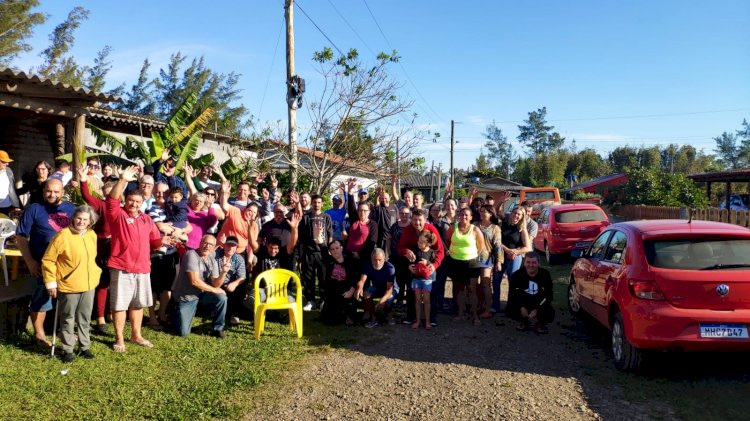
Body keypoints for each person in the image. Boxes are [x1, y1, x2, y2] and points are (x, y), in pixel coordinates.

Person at [106, 165, 169, 352]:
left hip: (142, 268)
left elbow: (154, 241)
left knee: (138, 304)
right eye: (131, 201)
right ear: (126, 201)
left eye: (137, 202)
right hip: (122, 266)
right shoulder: (117, 215)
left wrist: (162, 240)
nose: (134, 204)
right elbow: (112, 200)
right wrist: (123, 180)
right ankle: (119, 339)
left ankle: (136, 335)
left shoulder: (146, 219)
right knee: (119, 305)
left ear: (142, 203)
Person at [16, 178, 76, 347]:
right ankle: (39, 334)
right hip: (42, 264)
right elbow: (21, 236)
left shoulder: (72, 210)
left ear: (62, 193)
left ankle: (63, 331)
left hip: (66, 265)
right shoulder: (34, 209)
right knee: (41, 298)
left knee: (66, 300)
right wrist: (29, 261)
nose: (52, 194)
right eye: (49, 191)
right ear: (43, 192)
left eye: (56, 191)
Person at [41, 205, 101, 362]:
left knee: (85, 317)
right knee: (68, 317)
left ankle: (84, 346)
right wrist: (51, 283)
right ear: (73, 218)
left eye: (85, 219)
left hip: (89, 284)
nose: (81, 222)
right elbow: (48, 259)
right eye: (79, 218)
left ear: (90, 221)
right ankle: (67, 349)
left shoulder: (91, 235)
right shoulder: (62, 235)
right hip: (69, 285)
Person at [78, 165, 115, 333]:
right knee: (102, 283)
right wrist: (83, 179)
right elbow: (86, 195)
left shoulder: (123, 208)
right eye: (108, 191)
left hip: (116, 249)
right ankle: (100, 317)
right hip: (100, 248)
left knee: (113, 283)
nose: (111, 193)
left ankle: (110, 312)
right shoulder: (101, 205)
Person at [172, 234, 230, 338]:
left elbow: (215, 283)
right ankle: (173, 312)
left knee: (222, 298)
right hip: (187, 297)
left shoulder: (212, 258)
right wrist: (214, 290)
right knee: (183, 333)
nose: (207, 246)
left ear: (214, 247)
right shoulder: (191, 255)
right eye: (205, 243)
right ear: (200, 243)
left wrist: (223, 273)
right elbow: (194, 281)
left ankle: (218, 329)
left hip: (202, 295)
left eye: (211, 245)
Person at [397, 209, 445, 326]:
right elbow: (400, 247)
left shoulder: (431, 229)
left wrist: (434, 265)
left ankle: (431, 318)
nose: (417, 223)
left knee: (431, 293)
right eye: (414, 220)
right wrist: (407, 252)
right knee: (411, 292)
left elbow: (440, 251)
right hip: (413, 266)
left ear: (425, 220)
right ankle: (411, 317)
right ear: (411, 220)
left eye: (420, 220)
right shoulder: (408, 229)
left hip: (429, 265)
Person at [445, 207, 484, 325]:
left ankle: (475, 315)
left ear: (471, 217)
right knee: (460, 289)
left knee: (472, 289)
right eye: (462, 214)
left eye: (467, 215)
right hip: (456, 262)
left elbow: (481, 246)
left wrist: (472, 254)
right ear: (459, 215)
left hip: (471, 263)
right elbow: (447, 241)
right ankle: (460, 314)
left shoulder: (475, 229)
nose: (464, 217)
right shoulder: (453, 228)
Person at [494, 206, 532, 313]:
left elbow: (528, 247)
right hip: (500, 255)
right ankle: (495, 305)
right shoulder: (503, 224)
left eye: (519, 214)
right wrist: (507, 250)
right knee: (496, 280)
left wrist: (515, 251)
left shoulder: (522, 228)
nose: (516, 215)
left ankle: (510, 307)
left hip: (515, 257)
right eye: (515, 213)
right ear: (511, 213)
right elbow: (497, 240)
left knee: (513, 282)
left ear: (522, 216)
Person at [299, 194, 333, 311]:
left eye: (319, 202)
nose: (316, 204)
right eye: (315, 202)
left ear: (322, 204)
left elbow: (330, 235)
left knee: (323, 278)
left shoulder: (326, 217)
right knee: (309, 278)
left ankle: (323, 300)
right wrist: (301, 257)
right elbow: (302, 238)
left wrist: (329, 250)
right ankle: (311, 301)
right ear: (311, 203)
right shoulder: (306, 217)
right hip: (309, 252)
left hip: (323, 253)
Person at [505, 252, 555, 333]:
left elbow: (549, 295)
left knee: (549, 312)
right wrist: (521, 307)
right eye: (528, 262)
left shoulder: (545, 274)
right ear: (524, 262)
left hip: (538, 302)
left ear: (538, 263)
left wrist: (537, 309)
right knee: (510, 308)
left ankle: (540, 324)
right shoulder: (517, 275)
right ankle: (523, 321)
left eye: (534, 262)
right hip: (524, 301)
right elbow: (512, 294)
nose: (531, 265)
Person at [474, 205, 504, 319]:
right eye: (480, 211)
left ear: (491, 213)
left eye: (484, 212)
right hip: (474, 257)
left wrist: (499, 261)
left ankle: (488, 308)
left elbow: (498, 245)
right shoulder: (475, 225)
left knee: (485, 284)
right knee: (475, 284)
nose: (482, 214)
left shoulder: (495, 228)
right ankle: (478, 305)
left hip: (486, 258)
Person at [356, 248, 397, 328]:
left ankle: (388, 314)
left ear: (384, 259)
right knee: (366, 294)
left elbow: (389, 290)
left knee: (388, 299)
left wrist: (382, 300)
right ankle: (373, 318)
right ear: (371, 259)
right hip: (377, 287)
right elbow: (362, 280)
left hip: (390, 289)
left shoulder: (390, 268)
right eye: (374, 260)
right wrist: (359, 288)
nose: (377, 262)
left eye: (380, 260)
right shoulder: (367, 264)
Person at [320, 240, 358, 326]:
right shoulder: (329, 261)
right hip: (333, 293)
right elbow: (322, 250)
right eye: (332, 249)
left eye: (337, 248)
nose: (335, 251)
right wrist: (320, 241)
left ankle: (348, 315)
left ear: (341, 248)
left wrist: (351, 291)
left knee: (348, 312)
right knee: (330, 321)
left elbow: (355, 278)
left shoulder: (351, 261)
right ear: (330, 252)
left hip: (347, 291)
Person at [346, 179, 378, 268]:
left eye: (365, 210)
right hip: (350, 256)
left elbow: (372, 242)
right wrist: (350, 192)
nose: (362, 212)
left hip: (364, 258)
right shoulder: (355, 220)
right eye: (360, 210)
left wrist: (359, 254)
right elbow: (351, 208)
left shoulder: (373, 224)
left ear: (369, 211)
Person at [215, 236, 246, 324]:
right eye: (228, 245)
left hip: (230, 284)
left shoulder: (239, 258)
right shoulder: (216, 255)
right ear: (224, 245)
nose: (230, 248)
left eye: (233, 246)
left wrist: (234, 284)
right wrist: (218, 244)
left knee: (241, 288)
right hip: (216, 282)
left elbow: (242, 276)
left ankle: (235, 315)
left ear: (236, 248)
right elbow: (208, 254)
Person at [410, 231, 438, 330]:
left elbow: (434, 265)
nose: (418, 243)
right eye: (418, 240)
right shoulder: (414, 250)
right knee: (417, 300)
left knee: (426, 300)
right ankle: (417, 320)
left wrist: (427, 262)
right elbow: (409, 262)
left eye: (421, 242)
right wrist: (410, 266)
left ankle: (427, 321)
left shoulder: (432, 253)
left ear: (427, 243)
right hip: (416, 279)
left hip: (427, 280)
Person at [0, 150, 20, 216]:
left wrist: (16, 205)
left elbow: (12, 189)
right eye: (4, 162)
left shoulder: (8, 170)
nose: (7, 164)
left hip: (6, 207)